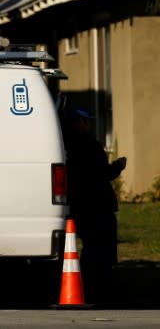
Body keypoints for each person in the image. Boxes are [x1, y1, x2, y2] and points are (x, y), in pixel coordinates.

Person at [63, 107, 127, 305]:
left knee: (90, 248)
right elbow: (102, 174)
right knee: (101, 251)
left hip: (79, 204)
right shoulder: (90, 145)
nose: (89, 125)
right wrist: (118, 165)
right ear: (78, 123)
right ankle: (100, 290)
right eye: (86, 121)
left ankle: (89, 286)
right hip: (97, 206)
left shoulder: (65, 145)